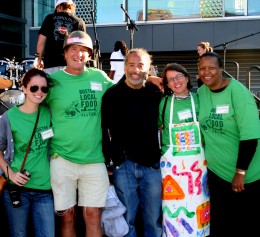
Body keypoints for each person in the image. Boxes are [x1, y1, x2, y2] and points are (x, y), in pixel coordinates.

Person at [44, 30, 114, 237]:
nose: (78, 54)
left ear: (90, 55)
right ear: (65, 53)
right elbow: (30, 105)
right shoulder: (52, 81)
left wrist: (152, 79)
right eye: (73, 49)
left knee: (93, 215)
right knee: (67, 216)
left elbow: (123, 93)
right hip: (62, 159)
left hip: (94, 159)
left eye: (83, 50)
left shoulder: (99, 77)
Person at [197, 52, 260, 237]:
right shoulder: (201, 92)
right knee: (220, 224)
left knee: (244, 224)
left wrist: (240, 172)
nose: (206, 72)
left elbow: (249, 137)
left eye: (211, 68)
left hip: (245, 176)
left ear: (221, 69)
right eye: (202, 68)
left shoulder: (238, 93)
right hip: (217, 173)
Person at [101, 48, 163, 237]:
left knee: (153, 219)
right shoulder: (112, 95)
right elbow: (104, 130)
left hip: (151, 165)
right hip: (124, 165)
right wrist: (108, 161)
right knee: (126, 219)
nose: (136, 70)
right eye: (131, 65)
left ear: (148, 68)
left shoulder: (156, 93)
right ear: (125, 67)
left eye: (141, 65)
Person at [0, 68, 54, 237]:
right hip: (18, 190)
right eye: (34, 88)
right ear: (23, 88)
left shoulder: (49, 113)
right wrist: (11, 174)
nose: (39, 92)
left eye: (44, 89)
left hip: (45, 190)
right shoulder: (9, 117)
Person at [158, 63, 210, 237]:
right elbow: (157, 126)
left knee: (198, 206)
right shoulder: (164, 103)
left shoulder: (199, 99)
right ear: (167, 84)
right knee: (172, 208)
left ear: (187, 78)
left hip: (197, 168)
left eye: (179, 77)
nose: (176, 82)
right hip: (172, 167)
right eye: (171, 79)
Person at [35, 0, 86, 74]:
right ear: (71, 8)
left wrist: (38, 60)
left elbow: (41, 42)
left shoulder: (49, 18)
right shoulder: (79, 22)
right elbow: (83, 46)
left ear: (59, 7)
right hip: (71, 66)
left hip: (51, 64)